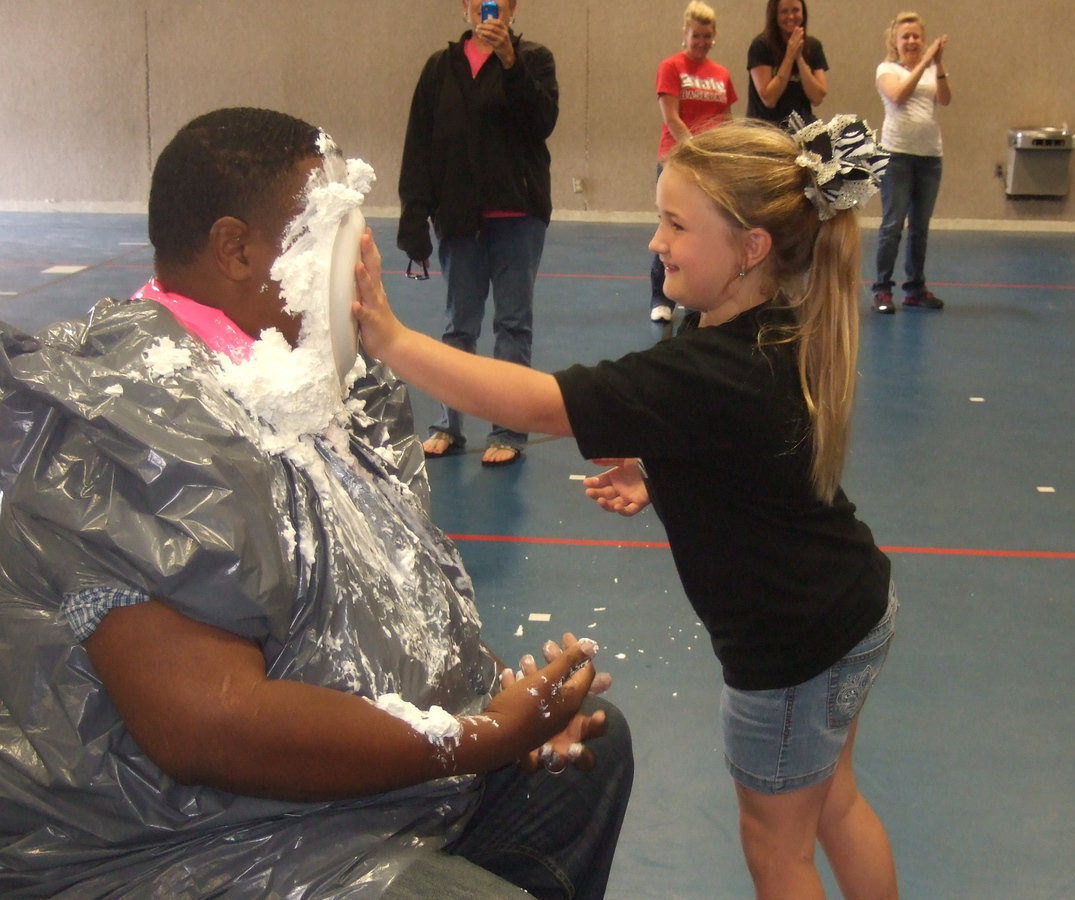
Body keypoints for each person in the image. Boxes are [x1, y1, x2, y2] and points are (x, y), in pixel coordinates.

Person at [0, 107, 632, 899]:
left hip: (333, 801)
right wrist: (478, 736)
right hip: (198, 838)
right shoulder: (128, 419)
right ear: (237, 248)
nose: (359, 265)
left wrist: (500, 696)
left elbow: (387, 602)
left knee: (590, 759)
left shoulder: (299, 383)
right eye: (331, 237)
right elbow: (200, 726)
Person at [355, 115, 898, 899]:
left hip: (791, 656)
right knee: (836, 803)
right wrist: (662, 470)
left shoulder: (707, 367)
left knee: (777, 848)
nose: (655, 241)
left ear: (750, 249)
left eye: (677, 224)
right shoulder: (769, 325)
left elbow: (543, 404)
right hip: (853, 608)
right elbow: (747, 446)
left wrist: (392, 341)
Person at [397, 0, 558, 467]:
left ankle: (507, 429)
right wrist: (415, 215)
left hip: (518, 215)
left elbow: (541, 122)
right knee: (458, 327)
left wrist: (511, 63)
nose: (489, 7)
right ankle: (449, 424)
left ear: (512, 7)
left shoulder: (535, 60)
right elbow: (419, 143)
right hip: (459, 217)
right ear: (465, 7)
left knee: (512, 325)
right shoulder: (438, 69)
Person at [649, 0, 737, 324]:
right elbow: (672, 118)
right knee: (672, 229)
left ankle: (694, 294)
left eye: (707, 36)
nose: (701, 41)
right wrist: (696, 151)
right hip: (677, 161)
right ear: (684, 33)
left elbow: (726, 120)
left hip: (711, 166)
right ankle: (661, 297)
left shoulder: (721, 74)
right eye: (695, 35)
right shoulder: (671, 67)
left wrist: (723, 154)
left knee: (703, 232)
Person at [871, 10, 951, 314]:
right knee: (893, 224)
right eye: (906, 36)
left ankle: (915, 287)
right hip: (897, 156)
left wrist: (938, 63)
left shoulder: (932, 70)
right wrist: (923, 63)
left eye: (917, 36)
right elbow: (899, 96)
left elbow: (944, 98)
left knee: (920, 227)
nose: (912, 40)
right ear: (895, 40)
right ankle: (881, 289)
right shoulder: (886, 69)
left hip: (930, 157)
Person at [746, 0, 829, 128]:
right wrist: (789, 57)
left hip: (801, 129)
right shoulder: (761, 46)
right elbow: (769, 99)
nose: (790, 16)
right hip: (764, 130)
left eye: (795, 10)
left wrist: (799, 58)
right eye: (784, 12)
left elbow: (817, 97)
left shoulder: (813, 46)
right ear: (775, 15)